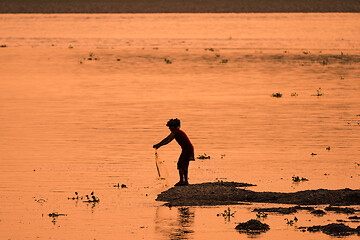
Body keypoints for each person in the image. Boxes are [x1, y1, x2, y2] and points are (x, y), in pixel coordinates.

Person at [153, 118, 194, 186]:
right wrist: (159, 145)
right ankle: (185, 181)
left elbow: (167, 140)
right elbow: (167, 140)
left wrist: (158, 145)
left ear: (174, 126)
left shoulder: (176, 132)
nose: (169, 128)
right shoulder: (179, 132)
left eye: (170, 127)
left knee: (180, 164)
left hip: (187, 149)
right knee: (184, 165)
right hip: (188, 149)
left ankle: (182, 181)